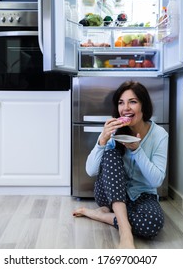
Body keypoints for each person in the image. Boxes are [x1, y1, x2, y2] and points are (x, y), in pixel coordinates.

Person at [72, 80, 168, 249]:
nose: (126, 108)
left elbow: (156, 181)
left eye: (133, 102)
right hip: (108, 194)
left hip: (142, 195)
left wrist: (137, 150)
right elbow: (91, 171)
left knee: (153, 223)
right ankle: (125, 232)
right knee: (111, 153)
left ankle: (103, 216)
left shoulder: (159, 135)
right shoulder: (114, 131)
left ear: (143, 105)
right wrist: (102, 140)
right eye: (121, 103)